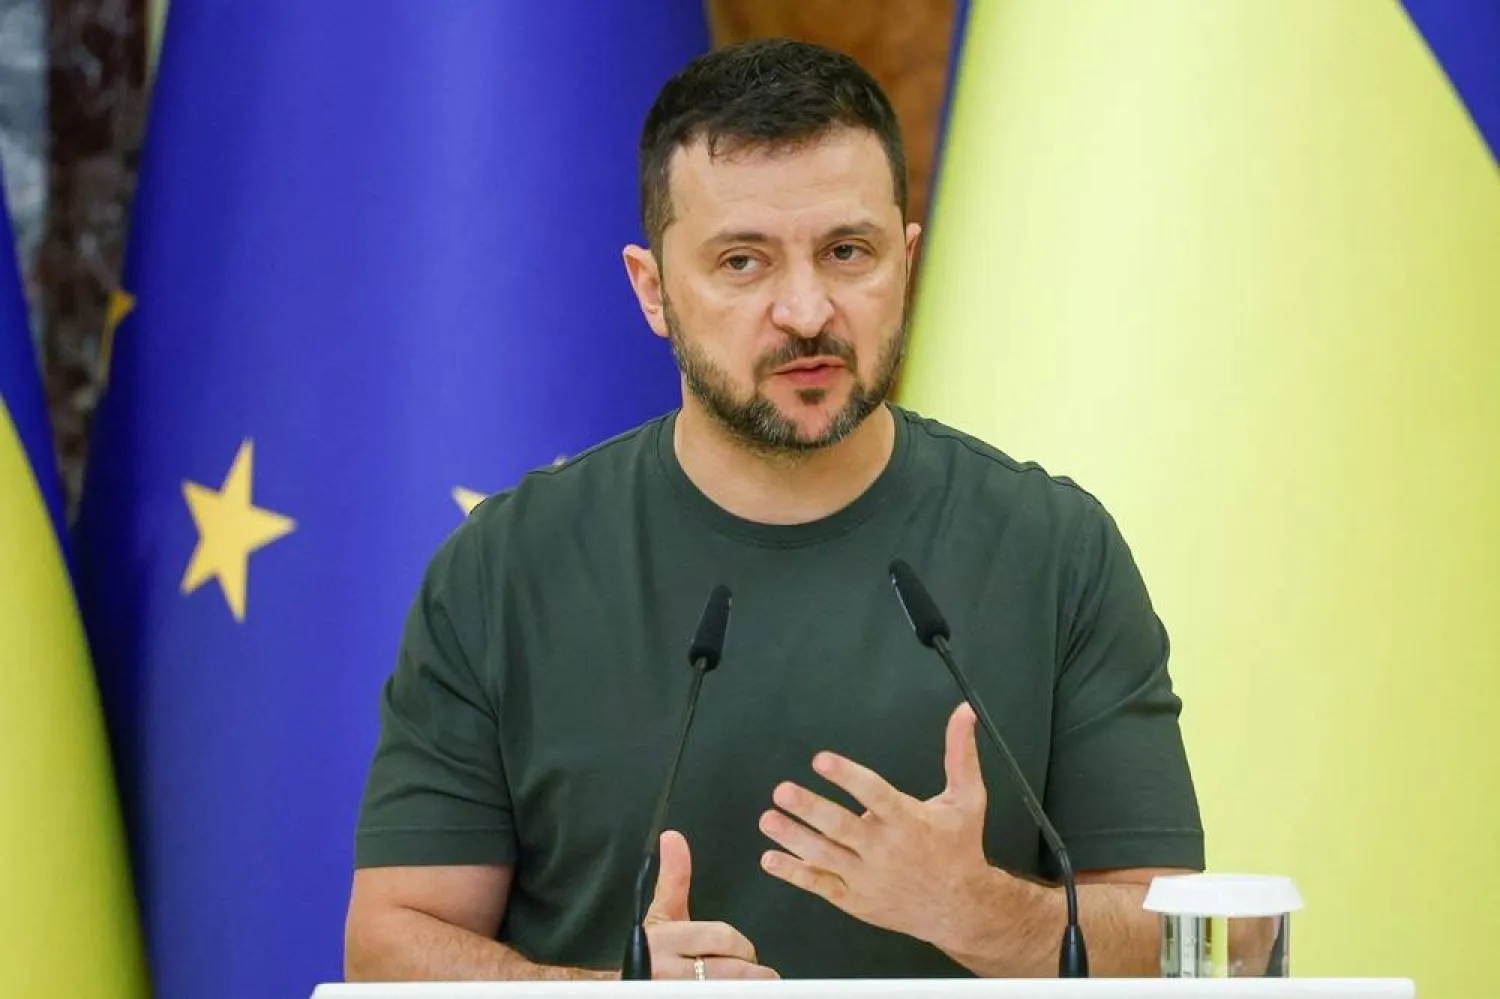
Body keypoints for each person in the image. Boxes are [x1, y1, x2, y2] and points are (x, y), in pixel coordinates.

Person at [343, 37, 1203, 982]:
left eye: (847, 252)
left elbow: (1193, 943)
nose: (805, 310)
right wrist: (601, 991)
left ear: (906, 263)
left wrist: (985, 914)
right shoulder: (506, 567)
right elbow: (390, 946)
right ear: (652, 290)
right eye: (743, 261)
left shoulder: (1054, 549)